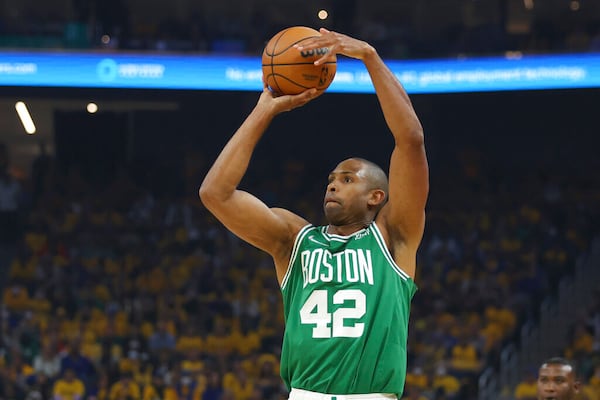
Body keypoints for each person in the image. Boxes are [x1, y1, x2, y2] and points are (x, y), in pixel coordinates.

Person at [200, 27, 428, 399]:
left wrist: (370, 57)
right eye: (331, 179)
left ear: (376, 196)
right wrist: (264, 110)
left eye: (347, 178)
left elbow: (411, 140)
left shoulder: (394, 236)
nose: (333, 185)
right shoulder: (295, 240)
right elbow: (215, 193)